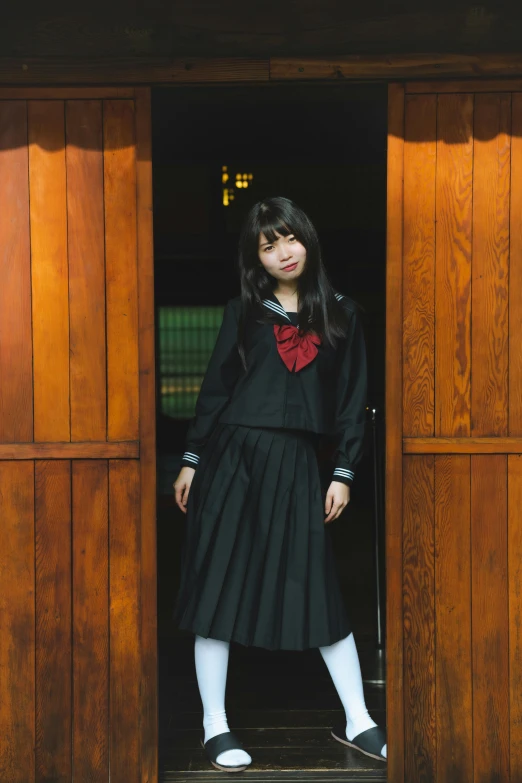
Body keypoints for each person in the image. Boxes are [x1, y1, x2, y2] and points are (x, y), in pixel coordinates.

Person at [172, 196, 387, 772]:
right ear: (256, 258)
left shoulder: (342, 312)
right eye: (268, 246)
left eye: (289, 239)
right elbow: (215, 391)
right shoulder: (243, 311)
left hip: (297, 464)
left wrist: (343, 471)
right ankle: (214, 727)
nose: (282, 253)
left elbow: (352, 402)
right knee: (217, 587)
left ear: (307, 239)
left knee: (316, 586)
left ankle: (358, 720)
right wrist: (192, 458)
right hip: (233, 458)